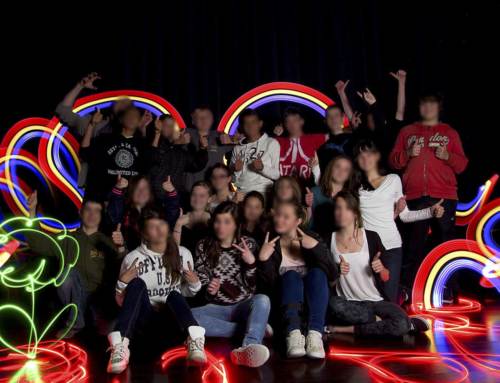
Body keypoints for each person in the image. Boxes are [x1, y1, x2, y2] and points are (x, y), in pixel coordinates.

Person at [107, 208, 206, 374]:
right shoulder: (133, 258)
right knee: (137, 283)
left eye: (161, 224)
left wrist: (195, 284)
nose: (159, 230)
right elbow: (122, 303)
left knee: (175, 294)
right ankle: (120, 347)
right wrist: (122, 283)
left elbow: (187, 293)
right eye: (153, 227)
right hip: (144, 321)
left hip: (172, 322)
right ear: (145, 234)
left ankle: (195, 341)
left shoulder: (183, 254)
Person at [389, 93, 468, 290]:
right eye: (424, 103)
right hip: (415, 196)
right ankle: (406, 290)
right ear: (419, 107)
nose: (427, 107)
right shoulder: (407, 131)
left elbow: (462, 165)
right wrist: (408, 153)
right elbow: (393, 161)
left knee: (445, 245)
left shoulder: (449, 132)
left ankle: (449, 290)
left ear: (439, 107)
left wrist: (447, 155)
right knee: (413, 245)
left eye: (432, 104)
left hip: (444, 196)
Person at [326, 191, 430, 337]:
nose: (341, 213)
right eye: (338, 208)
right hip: (349, 304)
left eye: (347, 208)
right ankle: (394, 323)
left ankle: (346, 329)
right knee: (334, 305)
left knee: (400, 323)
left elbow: (386, 277)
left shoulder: (371, 237)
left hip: (376, 302)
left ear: (355, 213)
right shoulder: (328, 240)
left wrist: (380, 268)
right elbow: (328, 283)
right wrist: (336, 271)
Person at [25, 191, 125, 337]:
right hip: (73, 296)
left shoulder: (108, 241)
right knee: (67, 273)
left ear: (101, 215)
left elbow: (124, 266)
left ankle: (93, 319)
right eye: (88, 210)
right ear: (80, 212)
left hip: (98, 298)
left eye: (97, 211)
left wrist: (121, 246)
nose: (92, 214)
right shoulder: (67, 239)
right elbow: (37, 243)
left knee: (110, 332)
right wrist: (32, 211)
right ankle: (75, 322)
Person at [355, 139, 445, 303]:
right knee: (370, 299)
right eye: (360, 155)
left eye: (368, 153)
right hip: (366, 249)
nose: (365, 158)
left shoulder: (393, 179)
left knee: (388, 300)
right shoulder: (356, 187)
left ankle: (399, 294)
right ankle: (400, 293)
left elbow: (406, 216)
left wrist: (431, 211)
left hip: (391, 247)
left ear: (376, 156)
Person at [192, 201, 271, 368]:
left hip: (243, 306)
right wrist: (210, 290)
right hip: (216, 308)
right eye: (217, 221)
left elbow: (252, 287)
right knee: (187, 317)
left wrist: (250, 264)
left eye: (227, 222)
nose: (220, 227)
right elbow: (203, 286)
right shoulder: (203, 245)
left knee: (263, 300)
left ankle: (248, 346)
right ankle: (252, 327)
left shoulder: (248, 244)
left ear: (236, 225)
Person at [258, 201, 336, 359]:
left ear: (298, 221)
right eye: (278, 215)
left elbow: (333, 274)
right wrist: (263, 260)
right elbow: (267, 288)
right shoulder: (270, 243)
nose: (279, 220)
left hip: (313, 313)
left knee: (317, 273)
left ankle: (315, 336)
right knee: (291, 276)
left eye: (286, 217)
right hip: (285, 316)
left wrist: (315, 247)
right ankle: (293, 335)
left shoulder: (312, 238)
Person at [55, 73, 152, 186]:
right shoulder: (94, 123)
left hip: (127, 195)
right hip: (96, 192)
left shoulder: (137, 129)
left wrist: (142, 130)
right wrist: (80, 86)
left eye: (127, 105)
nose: (124, 108)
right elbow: (62, 111)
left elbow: (145, 161)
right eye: (119, 103)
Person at [80, 105, 147, 201]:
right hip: (104, 199)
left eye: (135, 117)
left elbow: (148, 164)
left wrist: (144, 129)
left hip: (130, 202)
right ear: (121, 120)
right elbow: (84, 153)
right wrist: (92, 124)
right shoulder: (106, 139)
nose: (132, 119)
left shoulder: (141, 144)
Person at [107, 175, 179, 251]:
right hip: (129, 256)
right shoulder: (125, 212)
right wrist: (118, 189)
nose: (141, 191)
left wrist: (171, 193)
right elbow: (115, 213)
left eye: (145, 188)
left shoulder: (157, 212)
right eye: (137, 188)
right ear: (131, 191)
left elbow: (172, 215)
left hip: (157, 256)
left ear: (150, 192)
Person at [149, 114, 208, 199]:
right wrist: (158, 134)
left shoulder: (180, 151)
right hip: (155, 199)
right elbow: (154, 158)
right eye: (167, 125)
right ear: (159, 126)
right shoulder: (153, 142)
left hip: (174, 199)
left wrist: (203, 148)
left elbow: (196, 165)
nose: (171, 128)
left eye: (173, 126)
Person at [183, 106, 235, 192]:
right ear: (193, 121)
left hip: (215, 190)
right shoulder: (185, 134)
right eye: (199, 117)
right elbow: (169, 137)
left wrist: (233, 140)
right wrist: (178, 141)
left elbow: (245, 140)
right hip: (192, 191)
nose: (204, 120)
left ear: (212, 119)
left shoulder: (219, 136)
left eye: (207, 117)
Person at [230, 109, 280, 196]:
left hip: (263, 193)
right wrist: (236, 170)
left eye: (253, 122)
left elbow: (277, 175)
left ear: (260, 124)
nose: (250, 126)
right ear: (242, 127)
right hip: (241, 194)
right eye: (246, 123)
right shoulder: (237, 148)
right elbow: (232, 179)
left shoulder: (271, 143)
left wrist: (262, 168)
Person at [309, 155, 355, 240]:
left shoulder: (352, 197)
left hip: (342, 243)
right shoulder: (314, 192)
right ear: (331, 168)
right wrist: (307, 207)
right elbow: (307, 224)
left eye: (346, 170)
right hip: (317, 241)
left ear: (349, 175)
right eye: (338, 166)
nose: (341, 171)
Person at [273, 107, 326, 182]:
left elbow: (339, 133)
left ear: (302, 121)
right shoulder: (277, 142)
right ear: (284, 125)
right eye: (288, 122)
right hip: (283, 189)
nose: (291, 124)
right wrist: (273, 135)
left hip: (309, 189)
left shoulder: (314, 139)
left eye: (295, 120)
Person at [173, 181, 211, 255]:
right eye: (194, 195)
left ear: (209, 199)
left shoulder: (214, 220)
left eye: (202, 196)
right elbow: (174, 250)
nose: (197, 199)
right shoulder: (180, 217)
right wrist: (178, 225)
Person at [316, 105, 355, 172]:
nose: (333, 119)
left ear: (343, 118)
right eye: (329, 116)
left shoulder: (354, 139)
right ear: (325, 121)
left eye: (336, 115)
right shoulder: (322, 149)